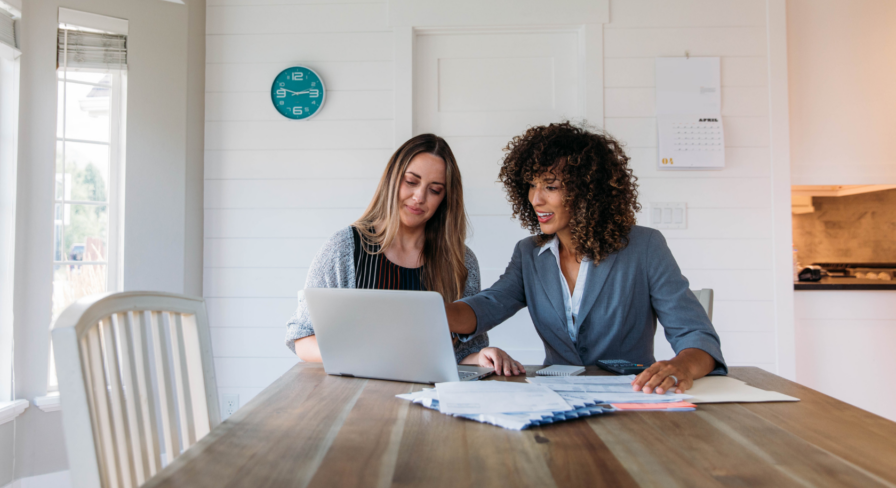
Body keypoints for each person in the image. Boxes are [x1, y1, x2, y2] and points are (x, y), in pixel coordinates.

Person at [443, 122, 726, 393]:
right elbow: (488, 306)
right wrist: (433, 312)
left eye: (550, 187)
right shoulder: (529, 253)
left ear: (589, 192)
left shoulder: (645, 247)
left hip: (630, 399)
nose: (535, 199)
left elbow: (697, 337)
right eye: (531, 185)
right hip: (555, 398)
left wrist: (679, 366)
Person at [285, 133, 523, 375]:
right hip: (357, 398)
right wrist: (368, 356)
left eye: (435, 189)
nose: (419, 197)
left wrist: (481, 356)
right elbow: (302, 337)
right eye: (411, 182)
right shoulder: (344, 248)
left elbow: (460, 353)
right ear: (392, 180)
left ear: (446, 198)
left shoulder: (461, 260)